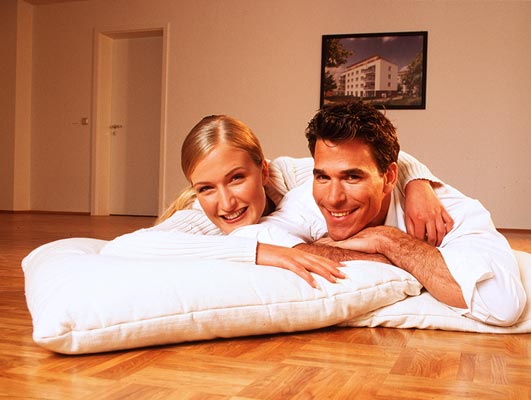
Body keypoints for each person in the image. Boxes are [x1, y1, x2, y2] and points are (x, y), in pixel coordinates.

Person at [101, 114, 452, 287]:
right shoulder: (199, 216)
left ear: (263, 170)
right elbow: (119, 249)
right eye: (206, 187)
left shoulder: (293, 176)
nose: (225, 203)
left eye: (237, 178)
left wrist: (417, 183)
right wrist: (258, 252)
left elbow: (360, 159)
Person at [260, 101, 526, 326]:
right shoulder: (304, 199)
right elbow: (255, 238)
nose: (333, 198)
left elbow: (502, 304)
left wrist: (388, 240)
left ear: (388, 177)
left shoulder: (453, 212)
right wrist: (368, 256)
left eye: (352, 177)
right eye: (322, 177)